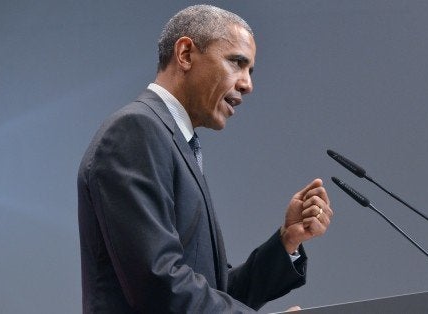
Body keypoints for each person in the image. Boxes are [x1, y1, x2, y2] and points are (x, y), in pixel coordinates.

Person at [77, 4, 334, 313]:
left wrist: (286, 241)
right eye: (237, 62)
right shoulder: (136, 131)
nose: (247, 84)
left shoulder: (177, 142)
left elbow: (215, 291)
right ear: (185, 53)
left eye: (249, 70)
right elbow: (159, 285)